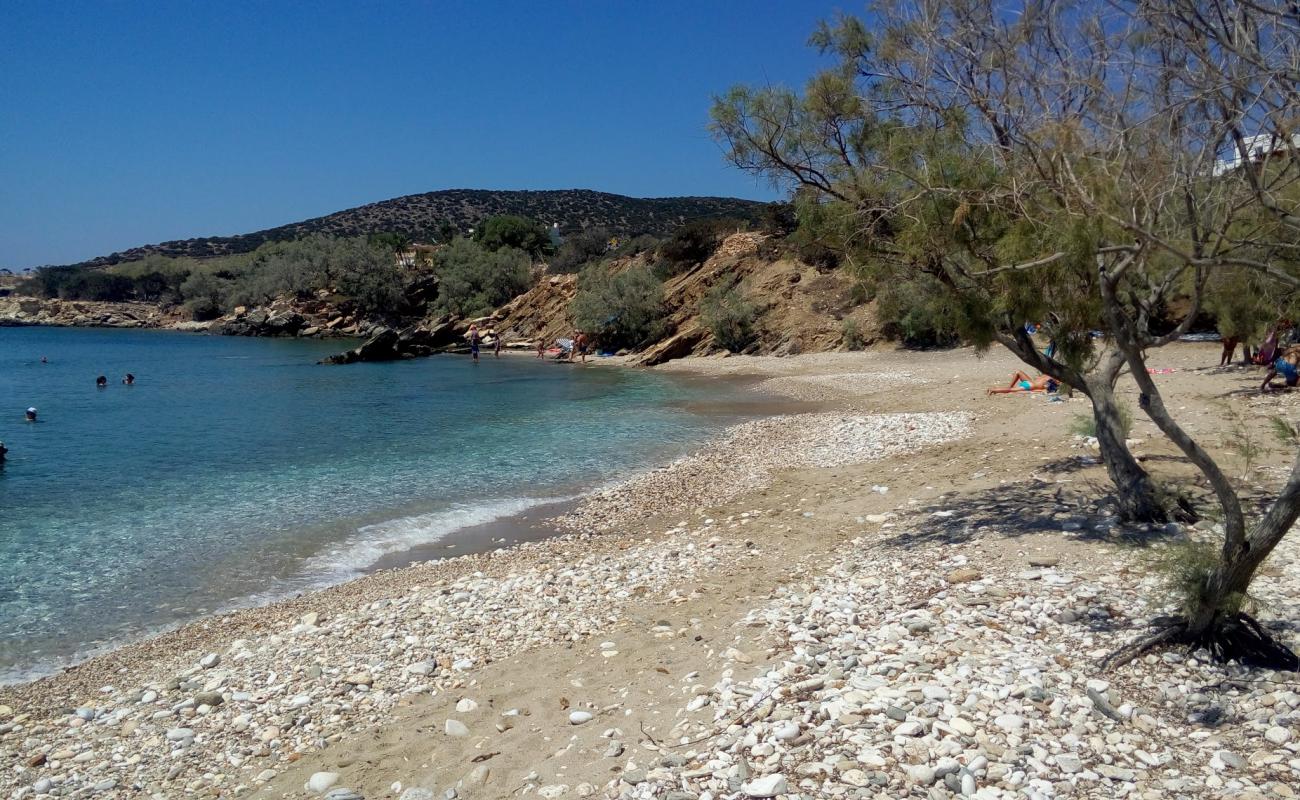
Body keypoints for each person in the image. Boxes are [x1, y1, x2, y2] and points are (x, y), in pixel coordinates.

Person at [987, 371, 1058, 395]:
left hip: (1029, 382)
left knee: (1018, 372)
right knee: (1010, 390)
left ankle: (1008, 386)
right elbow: (1045, 390)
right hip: (1030, 385)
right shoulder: (1052, 381)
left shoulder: (1047, 373)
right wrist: (1034, 390)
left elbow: (1043, 390)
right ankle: (994, 390)